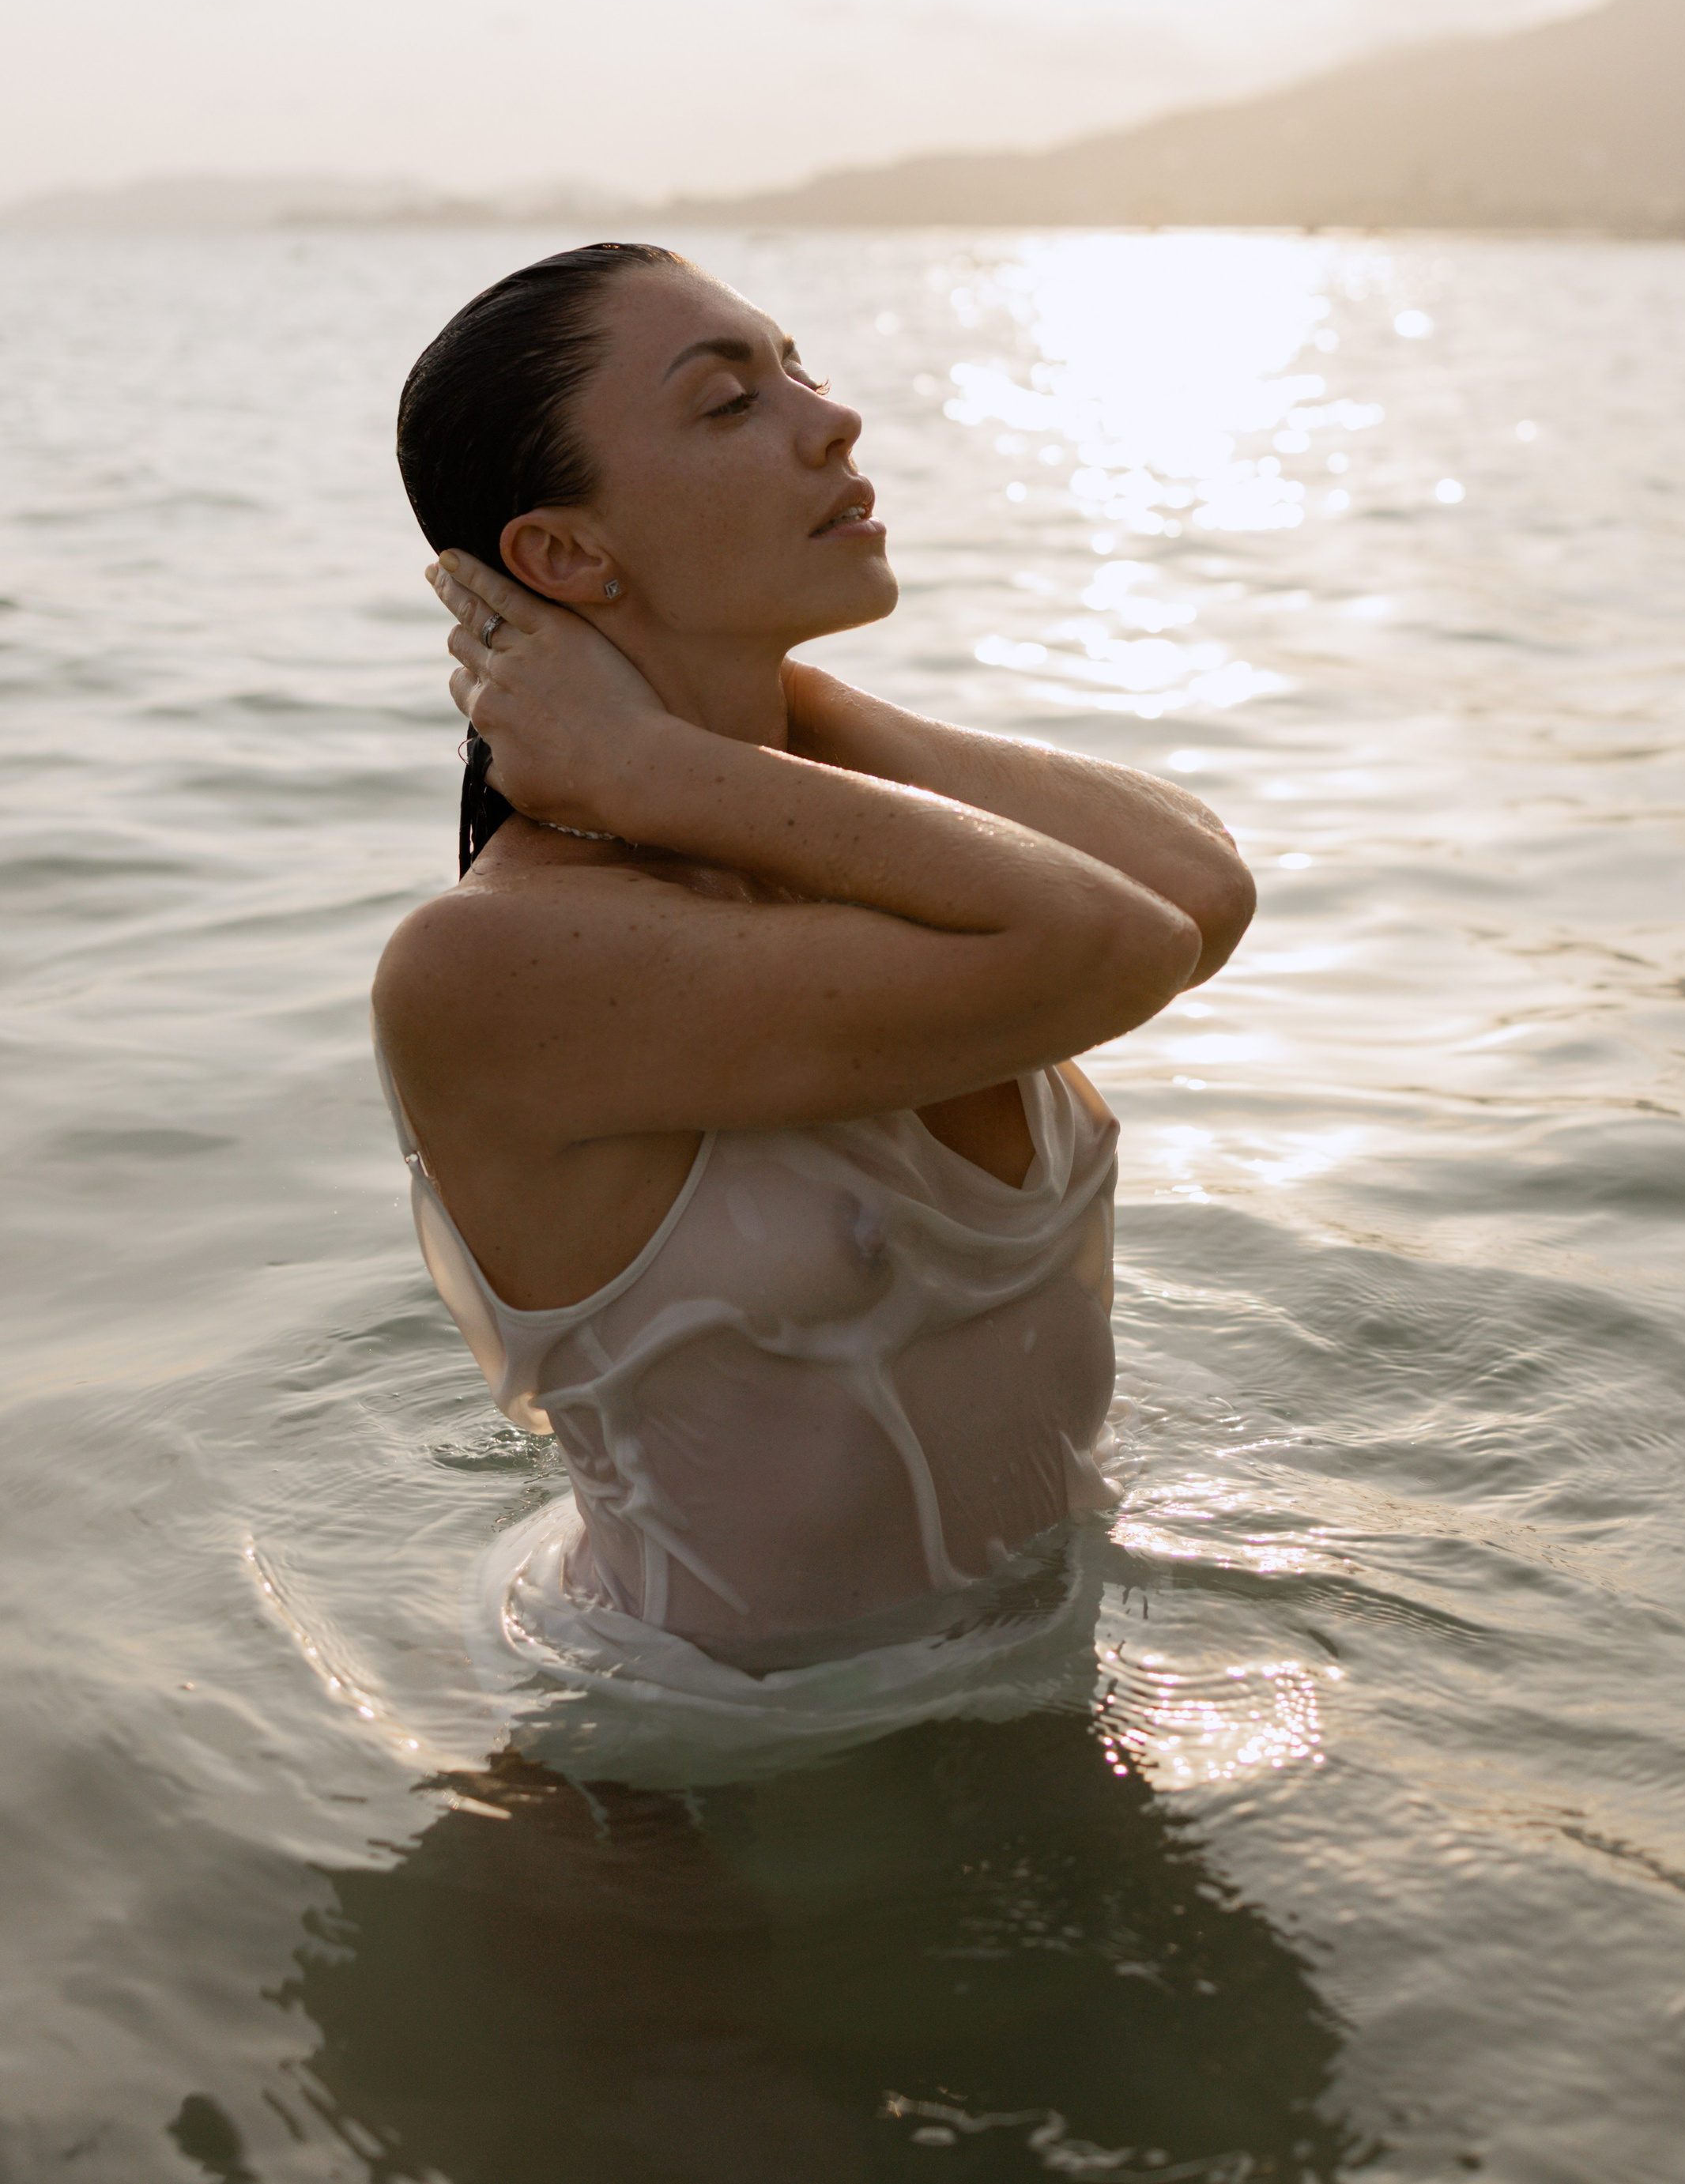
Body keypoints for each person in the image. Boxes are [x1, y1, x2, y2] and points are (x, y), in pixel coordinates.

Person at [372, 243, 1253, 1672]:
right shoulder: (493, 962)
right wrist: (659, 766)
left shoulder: (827, 829)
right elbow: (1118, 941)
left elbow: (1200, 885)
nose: (829, 418)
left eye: (799, 366)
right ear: (567, 554)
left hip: (1043, 1691)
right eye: (729, 402)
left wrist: (713, 734)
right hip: (690, 1784)